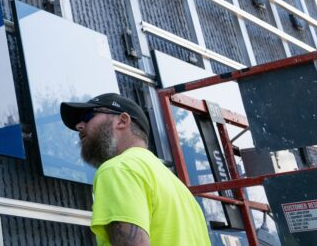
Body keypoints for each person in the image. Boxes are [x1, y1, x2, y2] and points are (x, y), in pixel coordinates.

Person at [60, 93, 210, 246]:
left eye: (88, 116)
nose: (79, 126)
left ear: (122, 121)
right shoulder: (183, 193)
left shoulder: (118, 169)